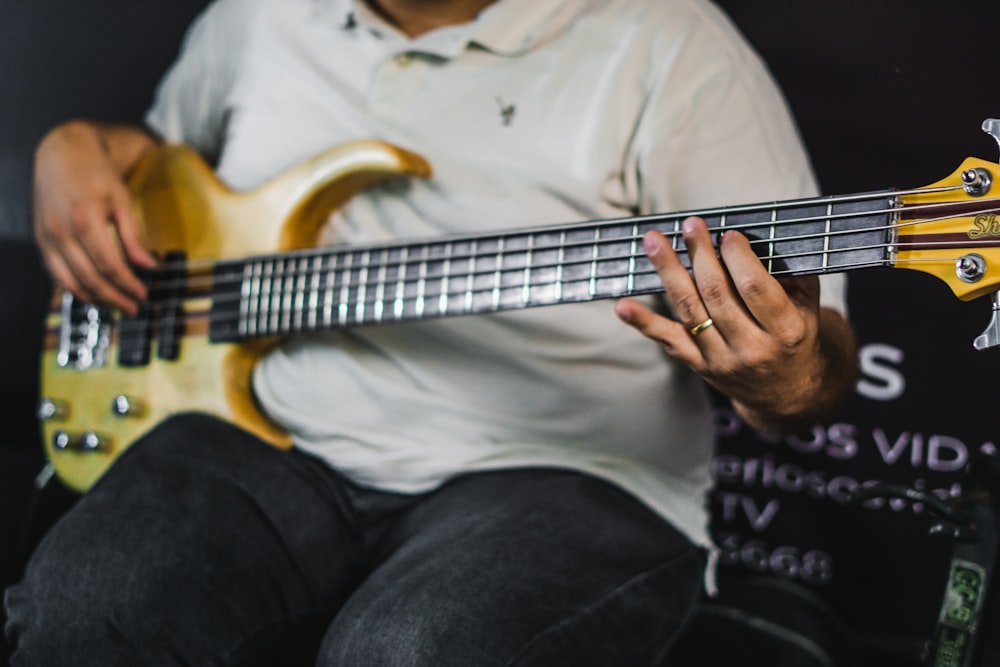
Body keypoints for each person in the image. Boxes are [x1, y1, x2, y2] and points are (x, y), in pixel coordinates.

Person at [5, 0, 857, 664]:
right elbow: (159, 165)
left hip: (563, 467)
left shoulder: (675, 47)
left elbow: (818, 366)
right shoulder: (257, 16)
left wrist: (785, 378)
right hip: (278, 432)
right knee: (89, 601)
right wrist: (77, 146)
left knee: (413, 649)